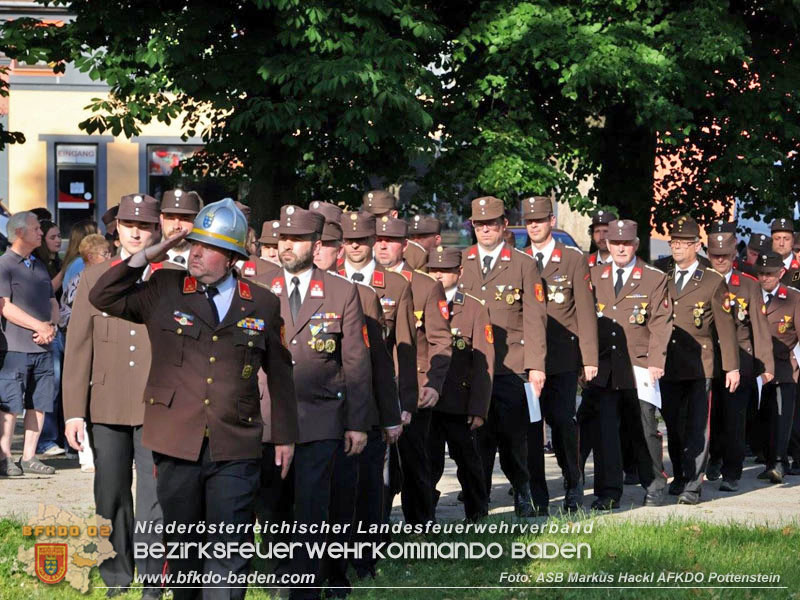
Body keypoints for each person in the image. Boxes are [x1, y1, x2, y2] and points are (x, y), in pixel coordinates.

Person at [88, 198, 297, 600]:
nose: (196, 251)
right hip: (175, 442)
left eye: (208, 246)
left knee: (229, 544)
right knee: (184, 548)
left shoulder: (263, 303)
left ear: (232, 257)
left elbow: (281, 373)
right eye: (194, 243)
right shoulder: (164, 288)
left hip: (234, 442)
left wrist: (285, 435)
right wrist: (152, 253)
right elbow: (104, 296)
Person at [260, 205, 371, 600]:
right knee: (273, 504)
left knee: (311, 505)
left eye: (295, 240)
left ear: (317, 245)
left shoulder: (341, 291)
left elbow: (356, 363)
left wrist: (357, 423)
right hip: (268, 414)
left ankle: (304, 584)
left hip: (320, 415)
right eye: (282, 239)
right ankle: (279, 571)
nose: (285, 246)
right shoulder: (258, 286)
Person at [63, 194, 171, 598]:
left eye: (144, 226)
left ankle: (153, 578)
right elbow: (77, 350)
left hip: (156, 405)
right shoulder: (94, 276)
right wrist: (74, 413)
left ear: (156, 229)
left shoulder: (171, 277)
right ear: (117, 229)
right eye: (129, 225)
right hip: (106, 405)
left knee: (155, 496)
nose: (137, 232)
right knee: (109, 491)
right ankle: (116, 574)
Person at [310, 200, 402, 587]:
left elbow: (377, 363)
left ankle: (360, 558)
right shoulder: (285, 291)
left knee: (361, 490)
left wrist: (390, 414)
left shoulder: (361, 296)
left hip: (354, 410)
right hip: (310, 410)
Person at [458, 196, 547, 517]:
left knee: (513, 437)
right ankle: (477, 502)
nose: (484, 230)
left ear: (503, 226)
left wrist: (536, 365)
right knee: (475, 439)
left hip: (512, 366)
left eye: (491, 224)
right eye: (479, 225)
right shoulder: (461, 261)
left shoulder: (523, 264)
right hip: (472, 367)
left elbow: (535, 318)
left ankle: (522, 491)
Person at [581, 219, 672, 508]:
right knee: (605, 431)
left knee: (645, 429)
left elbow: (661, 323)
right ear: (607, 244)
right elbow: (583, 319)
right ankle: (608, 492)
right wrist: (585, 360)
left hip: (640, 366)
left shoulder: (653, 278)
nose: (621, 248)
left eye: (626, 243)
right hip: (604, 368)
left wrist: (657, 360)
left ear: (635, 245)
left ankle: (655, 484)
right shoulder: (593, 276)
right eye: (615, 243)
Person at [374, 215, 452, 525]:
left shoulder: (425, 285)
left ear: (404, 246)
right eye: (378, 240)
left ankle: (422, 526)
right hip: (372, 390)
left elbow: (441, 341)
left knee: (415, 462)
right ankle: (375, 528)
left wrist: (434, 383)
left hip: (413, 389)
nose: (382, 246)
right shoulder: (361, 281)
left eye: (390, 241)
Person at [522, 196, 598, 513]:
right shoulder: (519, 258)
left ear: (552, 222)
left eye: (540, 220)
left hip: (562, 357)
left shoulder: (571, 259)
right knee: (528, 425)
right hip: (526, 361)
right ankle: (533, 492)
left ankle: (572, 483)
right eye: (529, 221)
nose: (534, 226)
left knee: (562, 422)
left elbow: (584, 310)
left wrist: (589, 357)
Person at [660, 215, 739, 505]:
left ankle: (693, 485)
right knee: (673, 424)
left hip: (700, 366)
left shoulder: (711, 281)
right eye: (673, 242)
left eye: (683, 243)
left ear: (696, 246)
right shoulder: (663, 278)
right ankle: (680, 474)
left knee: (696, 426)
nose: (677, 247)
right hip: (668, 364)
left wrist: (731, 366)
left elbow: (726, 328)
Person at [428, 246, 494, 521]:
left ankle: (477, 513)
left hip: (459, 402)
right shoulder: (421, 301)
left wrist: (479, 407)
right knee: (428, 463)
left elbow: (483, 362)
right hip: (428, 401)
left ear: (459, 273)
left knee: (468, 461)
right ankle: (424, 516)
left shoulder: (474, 308)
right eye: (434, 271)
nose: (439, 276)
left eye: (445, 271)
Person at [706, 233, 774, 492]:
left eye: (724, 255)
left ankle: (731, 472)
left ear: (734, 255)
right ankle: (713, 458)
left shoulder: (747, 284)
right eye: (715, 255)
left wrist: (765, 364)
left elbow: (759, 326)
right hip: (709, 360)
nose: (720, 260)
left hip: (741, 360)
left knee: (735, 419)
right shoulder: (702, 281)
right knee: (712, 418)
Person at [0, 212, 58, 477]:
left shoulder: (39, 265)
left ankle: (29, 457)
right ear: (20, 232)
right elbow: (5, 307)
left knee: (40, 402)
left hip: (43, 347)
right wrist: (39, 327)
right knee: (10, 405)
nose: (40, 232)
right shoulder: (5, 264)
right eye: (36, 228)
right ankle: (4, 458)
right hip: (16, 347)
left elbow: (52, 301)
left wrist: (53, 327)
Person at [752, 251, 800, 483]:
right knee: (763, 418)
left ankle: (781, 462)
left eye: (770, 274)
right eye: (761, 273)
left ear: (781, 273)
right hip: (756, 368)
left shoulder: (793, 297)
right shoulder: (750, 295)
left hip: (783, 369)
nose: (765, 278)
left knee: (782, 418)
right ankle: (769, 460)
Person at [160, 189, 202, 267]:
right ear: (161, 220)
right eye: (170, 218)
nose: (176, 226)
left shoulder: (206, 263)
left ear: (196, 222)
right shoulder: (148, 263)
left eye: (184, 219)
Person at [771, 218, 800, 288]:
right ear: (771, 240)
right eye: (777, 238)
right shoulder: (761, 263)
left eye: (786, 239)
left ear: (793, 241)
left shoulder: (798, 265)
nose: (781, 243)